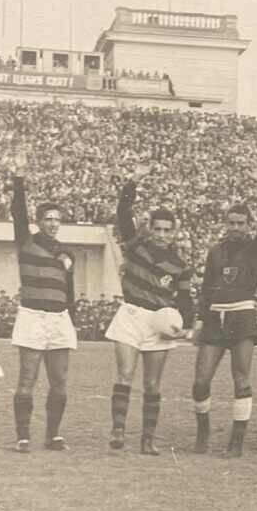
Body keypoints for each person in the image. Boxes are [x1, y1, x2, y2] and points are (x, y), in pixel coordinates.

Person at [105, 164, 195, 455]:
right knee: (125, 374)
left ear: (174, 233)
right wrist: (133, 181)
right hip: (131, 315)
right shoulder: (135, 247)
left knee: (153, 383)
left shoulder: (180, 267)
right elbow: (122, 213)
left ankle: (148, 439)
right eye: (156, 229)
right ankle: (118, 430)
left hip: (160, 322)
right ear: (150, 229)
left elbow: (184, 300)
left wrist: (187, 325)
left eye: (167, 230)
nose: (161, 234)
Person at [191, 162, 257, 458]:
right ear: (226, 224)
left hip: (242, 315)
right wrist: (200, 321)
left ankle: (236, 442)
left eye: (241, 223)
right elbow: (206, 289)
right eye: (232, 223)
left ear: (248, 226)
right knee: (201, 380)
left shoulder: (256, 247)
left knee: (242, 378)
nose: (236, 227)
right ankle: (203, 432)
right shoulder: (215, 251)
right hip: (215, 316)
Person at [9, 152, 77, 453]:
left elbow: (69, 291)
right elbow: (17, 213)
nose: (52, 224)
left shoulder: (67, 252)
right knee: (27, 378)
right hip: (32, 316)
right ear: (38, 222)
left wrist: (70, 318)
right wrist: (19, 179)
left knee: (60, 381)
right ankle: (23, 436)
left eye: (57, 220)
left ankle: (53, 435)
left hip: (59, 318)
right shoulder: (27, 241)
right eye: (47, 219)